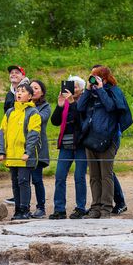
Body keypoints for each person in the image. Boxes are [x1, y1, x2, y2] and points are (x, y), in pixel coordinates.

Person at [77, 66, 131, 219]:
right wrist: (88, 90)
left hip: (108, 138)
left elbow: (111, 107)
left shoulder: (114, 91)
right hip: (91, 138)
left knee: (106, 175)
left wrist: (101, 89)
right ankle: (95, 208)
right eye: (92, 77)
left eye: (97, 77)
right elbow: (80, 107)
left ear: (105, 78)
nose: (93, 80)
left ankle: (106, 208)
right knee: (94, 175)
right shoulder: (90, 93)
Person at [0, 83, 42, 220]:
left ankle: (25, 209)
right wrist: (1, 151)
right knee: (15, 182)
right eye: (18, 91)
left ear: (30, 96)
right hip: (12, 155)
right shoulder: (10, 112)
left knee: (23, 181)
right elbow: (2, 132)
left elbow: (33, 134)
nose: (19, 93)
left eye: (23, 91)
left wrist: (27, 152)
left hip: (24, 156)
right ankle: (17, 209)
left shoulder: (33, 112)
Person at [49, 76, 88, 219]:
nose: (73, 89)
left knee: (79, 176)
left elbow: (81, 122)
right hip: (66, 144)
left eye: (76, 87)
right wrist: (60, 105)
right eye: (72, 86)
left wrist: (72, 103)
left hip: (81, 144)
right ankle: (59, 209)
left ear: (82, 89)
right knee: (59, 175)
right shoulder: (65, 102)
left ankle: (80, 207)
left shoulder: (85, 101)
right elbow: (54, 121)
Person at [3, 65, 29, 206]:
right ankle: (18, 199)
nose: (13, 74)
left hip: (24, 138)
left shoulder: (27, 89)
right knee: (15, 175)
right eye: (11, 72)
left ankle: (25, 204)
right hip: (11, 137)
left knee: (25, 177)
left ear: (22, 76)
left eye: (16, 72)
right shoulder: (10, 93)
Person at [30, 80, 51, 218]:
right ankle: (23, 207)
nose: (32, 90)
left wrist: (29, 105)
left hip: (38, 149)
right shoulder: (20, 106)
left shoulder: (46, 106)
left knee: (37, 179)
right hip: (22, 149)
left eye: (36, 88)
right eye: (30, 88)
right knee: (22, 180)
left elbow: (38, 119)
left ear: (42, 92)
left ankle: (41, 207)